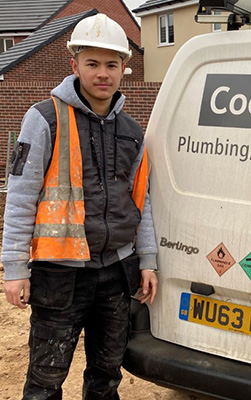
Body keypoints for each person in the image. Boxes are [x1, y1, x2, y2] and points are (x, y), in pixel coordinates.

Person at [2, 13, 158, 399]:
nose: (102, 73)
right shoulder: (43, 119)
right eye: (92, 63)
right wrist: (14, 269)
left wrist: (148, 260)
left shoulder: (133, 132)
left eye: (111, 64)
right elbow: (20, 198)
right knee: (45, 381)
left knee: (106, 377)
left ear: (124, 68)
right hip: (60, 275)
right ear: (74, 65)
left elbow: (142, 201)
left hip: (117, 272)